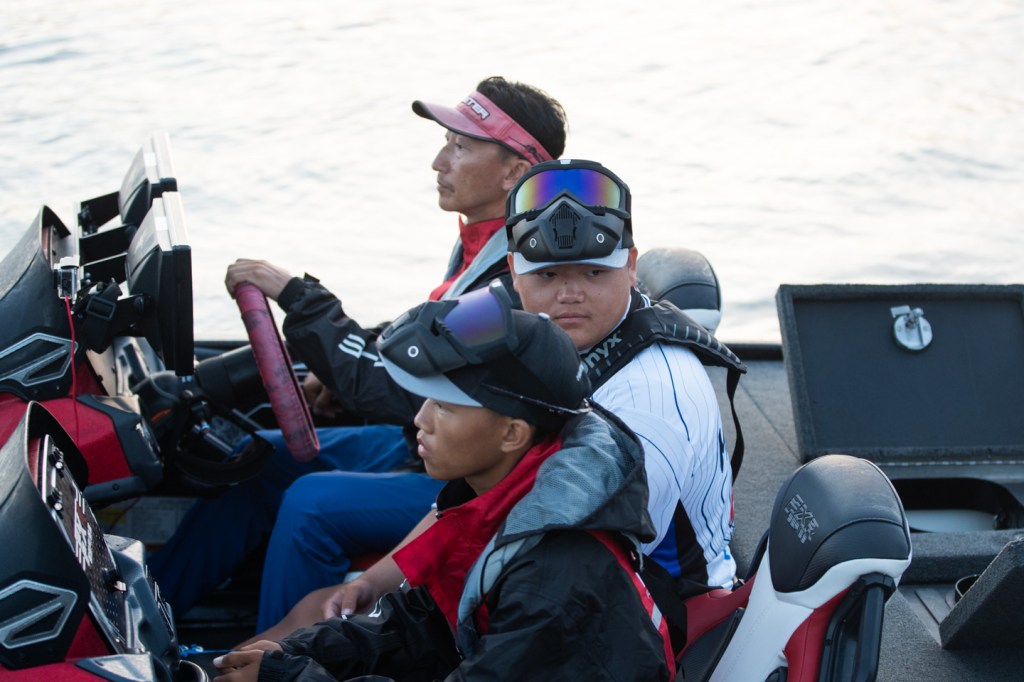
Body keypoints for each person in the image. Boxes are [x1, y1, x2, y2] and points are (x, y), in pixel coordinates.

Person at [254, 159, 747, 649]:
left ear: (631, 265)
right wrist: (373, 583)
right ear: (514, 272)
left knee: (314, 636)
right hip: (560, 571)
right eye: (547, 275)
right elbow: (475, 497)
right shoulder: (536, 332)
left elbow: (580, 562)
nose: (570, 294)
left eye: (595, 272)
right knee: (315, 617)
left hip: (649, 612)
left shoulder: (649, 400)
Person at [148, 76, 568, 618]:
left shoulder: (520, 271)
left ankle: (282, 656)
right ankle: (149, 614)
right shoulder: (485, 240)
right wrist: (333, 366)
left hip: (475, 474)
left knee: (311, 504)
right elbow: (422, 334)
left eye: (460, 147)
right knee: (256, 459)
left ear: (514, 172)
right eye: (445, 143)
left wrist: (298, 297)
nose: (439, 162)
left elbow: (399, 388)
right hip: (426, 440)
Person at [212, 285, 674, 681]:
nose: (420, 420)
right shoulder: (500, 507)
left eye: (445, 407)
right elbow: (423, 626)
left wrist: (289, 678)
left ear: (512, 434)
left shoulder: (552, 578)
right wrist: (298, 653)